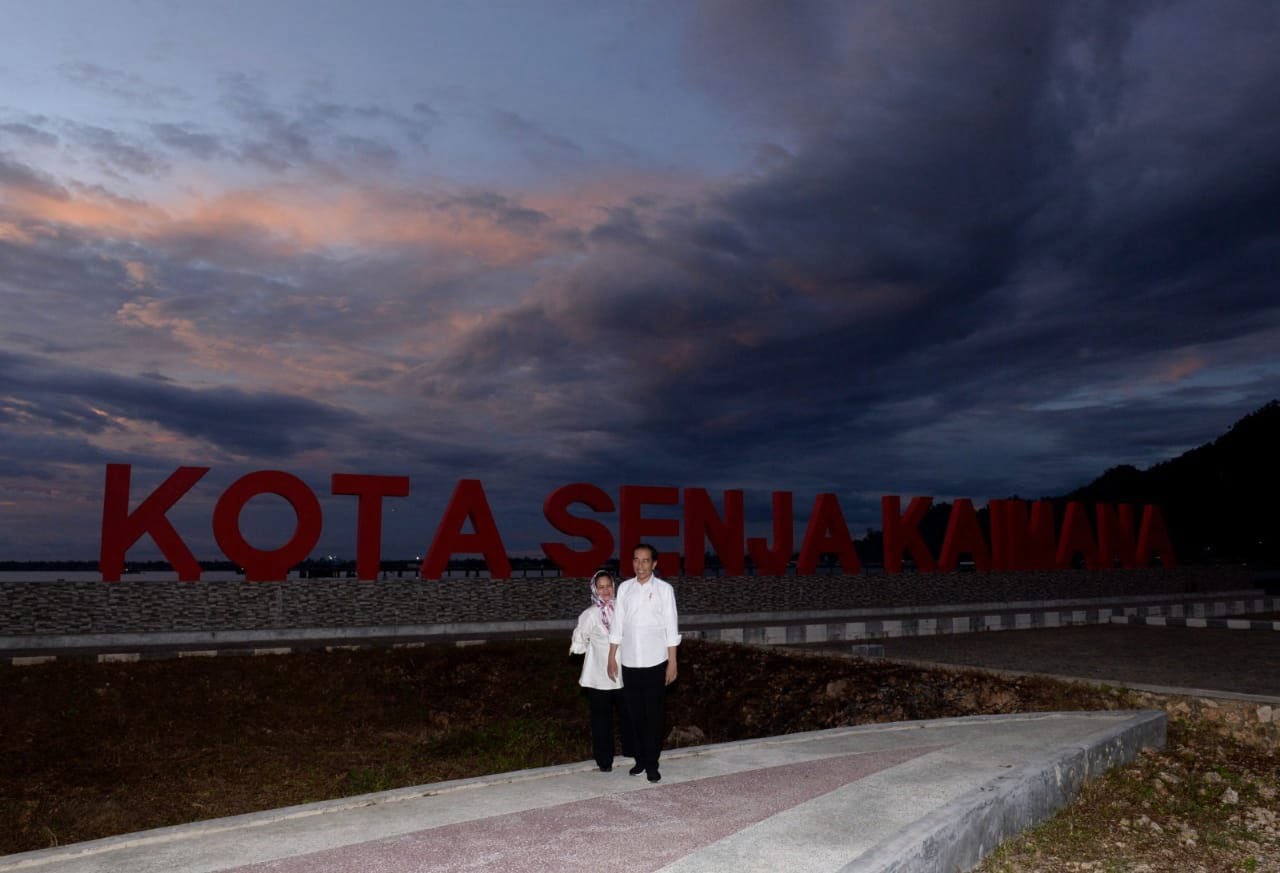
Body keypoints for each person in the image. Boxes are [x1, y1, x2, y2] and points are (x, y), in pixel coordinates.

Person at [607, 543, 680, 783]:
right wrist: (611, 657)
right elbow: (617, 626)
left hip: (656, 662)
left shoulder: (664, 590)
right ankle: (639, 759)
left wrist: (672, 662)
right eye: (636, 560)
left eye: (646, 560)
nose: (640, 565)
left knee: (654, 716)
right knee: (634, 715)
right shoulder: (625, 589)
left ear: (654, 563)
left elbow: (671, 627)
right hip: (629, 662)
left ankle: (652, 763)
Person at [570, 569, 634, 772]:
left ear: (614, 587)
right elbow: (579, 641)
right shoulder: (589, 614)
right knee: (601, 720)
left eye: (608, 586)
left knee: (629, 714)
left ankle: (632, 751)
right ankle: (604, 760)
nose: (605, 590)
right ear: (595, 589)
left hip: (624, 673)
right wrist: (585, 648)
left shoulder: (624, 610)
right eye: (601, 587)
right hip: (599, 676)